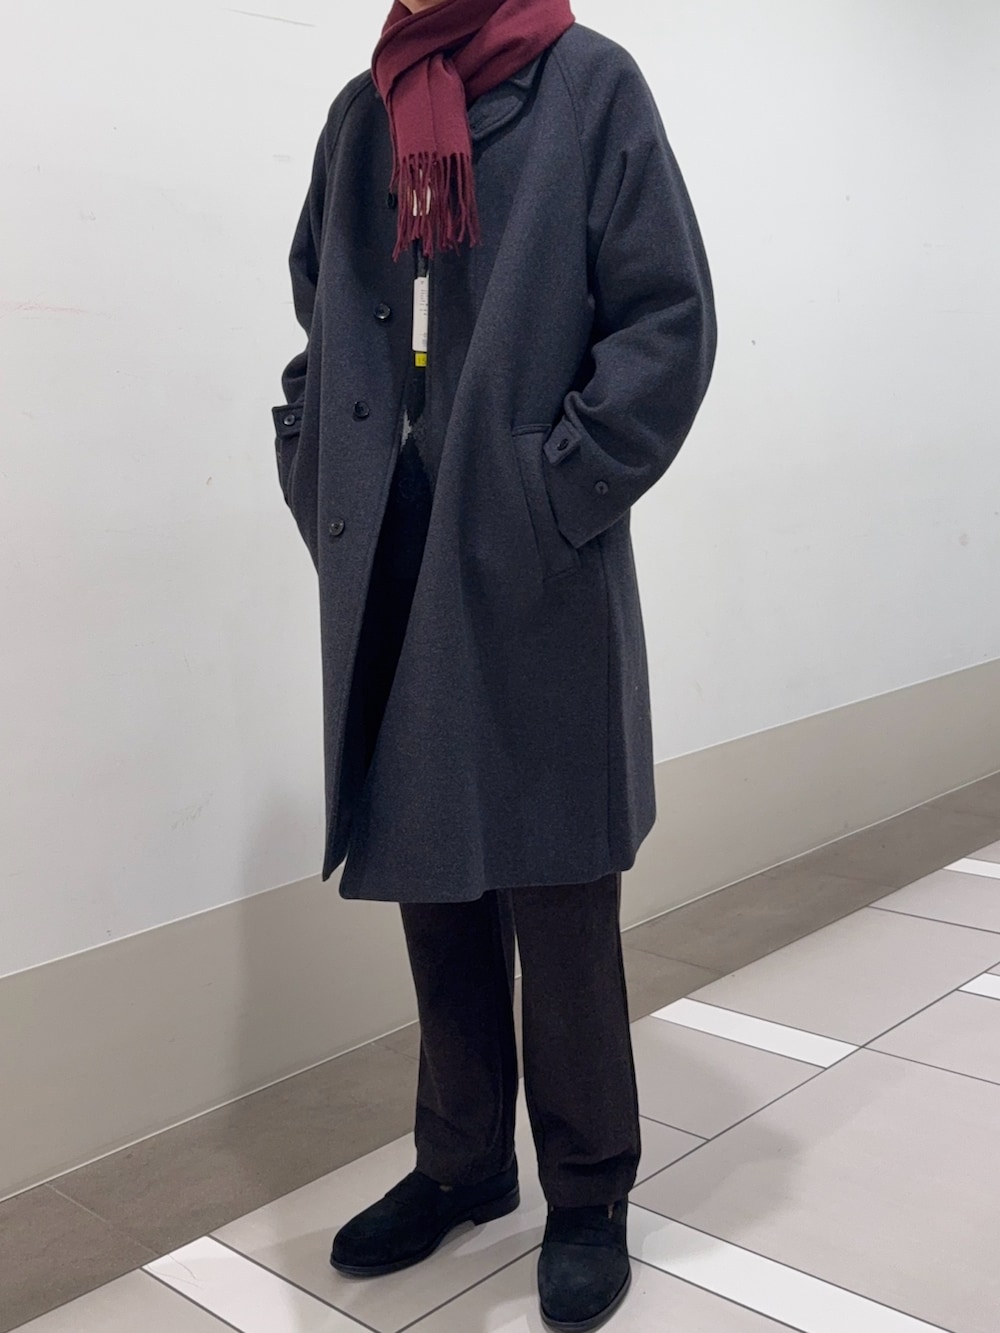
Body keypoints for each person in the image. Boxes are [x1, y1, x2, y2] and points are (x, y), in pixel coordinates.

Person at [271, 0, 715, 1326]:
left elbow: (667, 320)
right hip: (395, 544)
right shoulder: (363, 117)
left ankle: (587, 1187)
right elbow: (321, 305)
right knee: (432, 871)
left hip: (528, 549)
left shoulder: (588, 85)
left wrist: (552, 489)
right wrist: (315, 460)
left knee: (558, 875)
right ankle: (463, 1163)